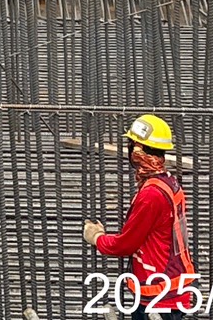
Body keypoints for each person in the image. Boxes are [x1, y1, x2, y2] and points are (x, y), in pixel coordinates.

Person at [84, 114, 197, 319]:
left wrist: (97, 238)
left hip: (158, 290)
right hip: (172, 283)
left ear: (137, 150)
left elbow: (126, 244)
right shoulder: (169, 183)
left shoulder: (152, 194)